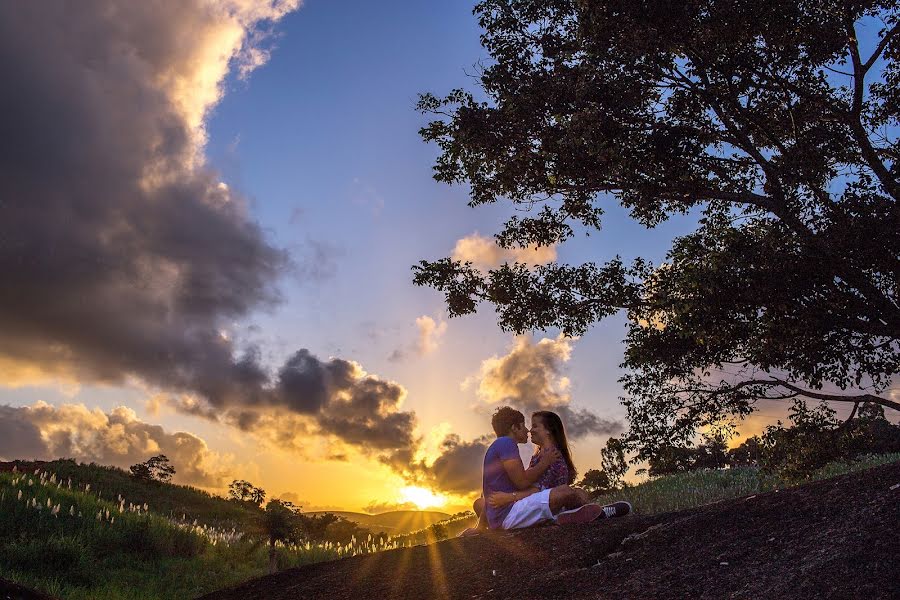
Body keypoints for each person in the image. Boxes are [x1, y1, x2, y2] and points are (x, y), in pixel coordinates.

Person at [472, 408, 631, 532]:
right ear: (514, 427)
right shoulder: (510, 444)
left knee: (571, 492)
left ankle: (593, 513)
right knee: (569, 492)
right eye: (527, 425)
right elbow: (524, 483)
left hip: (529, 505)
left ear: (548, 431)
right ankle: (561, 517)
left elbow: (533, 487)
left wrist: (509, 497)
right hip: (516, 511)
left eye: (534, 426)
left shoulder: (552, 456)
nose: (529, 430)